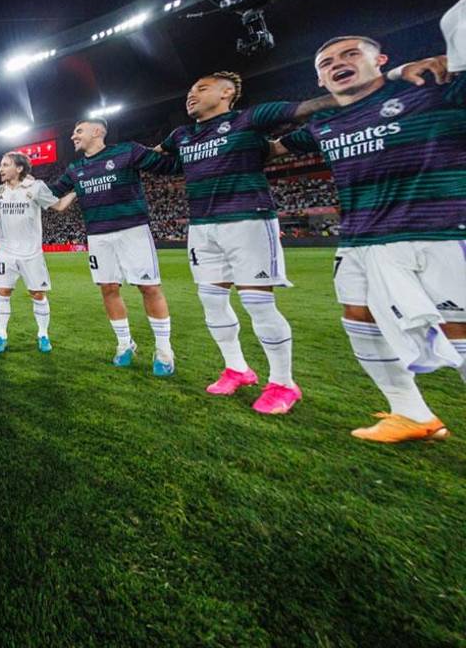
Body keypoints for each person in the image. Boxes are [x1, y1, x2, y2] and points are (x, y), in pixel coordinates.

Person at [276, 23, 462, 443]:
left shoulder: (428, 91)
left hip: (437, 229)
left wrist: (428, 69)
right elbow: (268, 150)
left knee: (458, 325)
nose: (338, 64)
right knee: (357, 315)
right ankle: (410, 412)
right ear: (321, 80)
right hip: (359, 240)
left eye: (350, 55)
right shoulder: (324, 124)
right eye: (327, 63)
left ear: (380, 60)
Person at [153, 72, 339, 414]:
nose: (191, 95)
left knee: (258, 304)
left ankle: (283, 382)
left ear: (227, 93)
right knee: (211, 301)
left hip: (248, 220)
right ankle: (237, 368)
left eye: (201, 88)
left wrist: (357, 92)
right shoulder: (182, 135)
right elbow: (154, 156)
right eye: (190, 90)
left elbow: (303, 109)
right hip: (201, 227)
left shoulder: (247, 119)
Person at [50, 119, 179, 374]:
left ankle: (164, 350)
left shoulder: (126, 151)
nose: (73, 137)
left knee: (149, 287)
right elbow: (53, 192)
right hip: (97, 235)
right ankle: (124, 344)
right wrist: (25, 186)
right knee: (108, 288)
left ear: (97, 132)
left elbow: (166, 165)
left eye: (78, 131)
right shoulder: (75, 168)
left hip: (133, 230)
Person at [0, 152, 61, 352]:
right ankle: (2, 336)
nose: (0, 169)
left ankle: (43, 335)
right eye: (0, 165)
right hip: (6, 252)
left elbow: (58, 205)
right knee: (2, 292)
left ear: (19, 168)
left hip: (32, 253)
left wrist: (77, 190)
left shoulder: (36, 187)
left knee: (37, 294)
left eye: (5, 165)